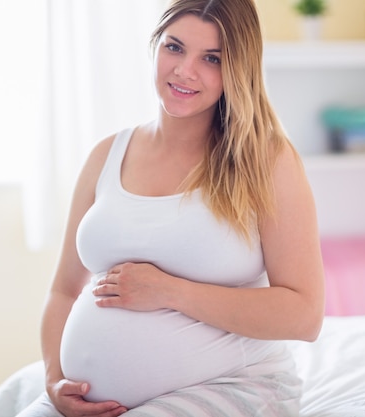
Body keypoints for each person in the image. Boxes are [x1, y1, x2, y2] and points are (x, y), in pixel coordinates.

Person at [18, 0, 325, 415]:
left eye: (211, 58)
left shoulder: (266, 159)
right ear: (155, 47)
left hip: (232, 386)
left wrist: (169, 292)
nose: (184, 70)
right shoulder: (108, 154)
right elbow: (62, 291)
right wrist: (55, 380)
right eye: (174, 47)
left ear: (238, 69)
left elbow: (304, 315)